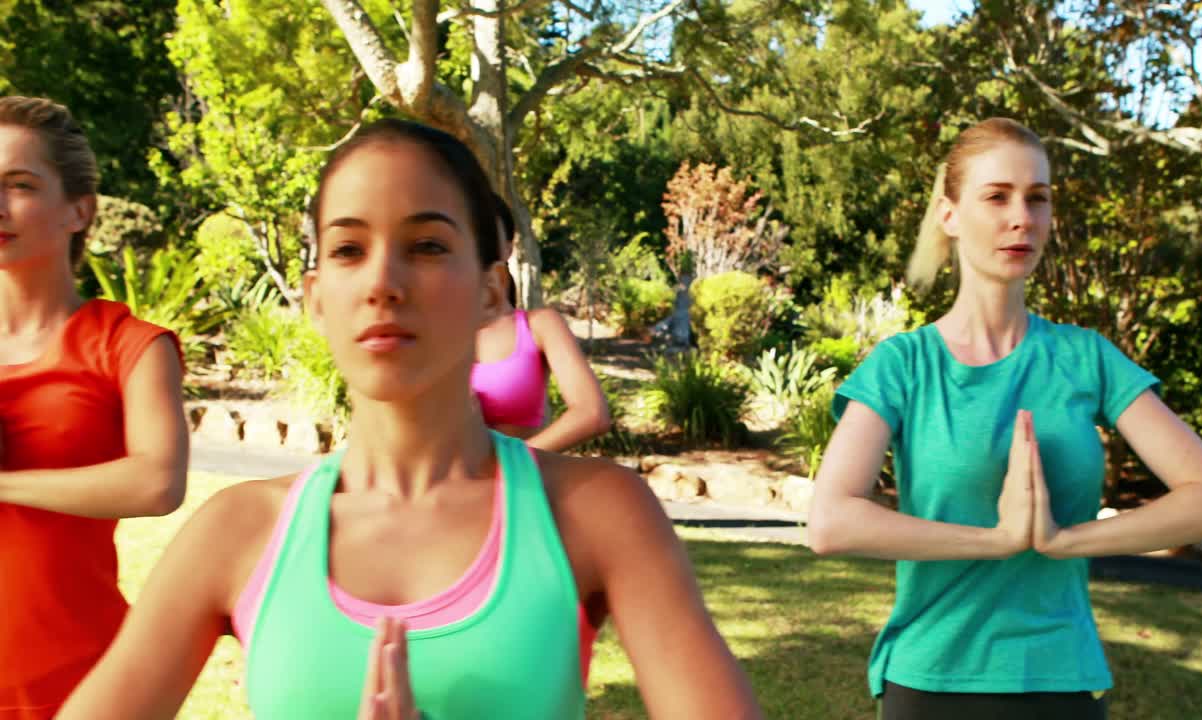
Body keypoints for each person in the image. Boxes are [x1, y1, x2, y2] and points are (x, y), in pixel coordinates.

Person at [58, 119, 762, 720]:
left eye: (426, 246)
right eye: (347, 250)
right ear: (315, 297)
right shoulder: (236, 533)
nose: (382, 283)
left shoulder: (595, 513)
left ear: (492, 289)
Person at [806, 117, 1202, 720]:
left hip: (1059, 682)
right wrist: (997, 542)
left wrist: (1064, 541)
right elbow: (830, 522)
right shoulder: (903, 365)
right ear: (950, 214)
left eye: (1037, 199)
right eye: (997, 196)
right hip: (930, 682)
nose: (1023, 217)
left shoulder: (1085, 357)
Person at [0, 95, 188, 719]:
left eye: (19, 185)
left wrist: (6, 484)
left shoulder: (129, 345)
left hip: (79, 686)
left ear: (80, 210)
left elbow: (158, 482)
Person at [471, 195, 611, 452]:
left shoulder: (540, 326)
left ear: (508, 248)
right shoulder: (430, 331)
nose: (478, 247)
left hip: (524, 485)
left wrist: (513, 464)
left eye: (487, 236)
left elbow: (592, 413)